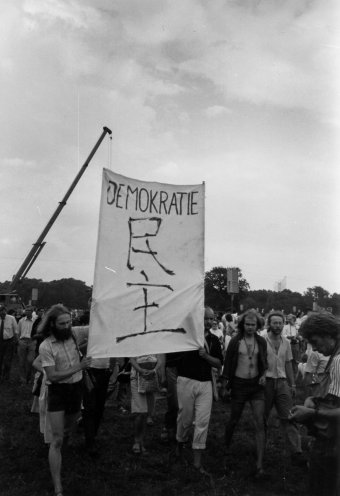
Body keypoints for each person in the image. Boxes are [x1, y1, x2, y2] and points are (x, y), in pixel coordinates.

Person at [38, 304, 91, 496]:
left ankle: (61, 449)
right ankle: (58, 486)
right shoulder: (45, 346)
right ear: (52, 324)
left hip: (76, 390)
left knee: (68, 429)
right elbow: (52, 376)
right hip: (58, 392)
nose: (67, 326)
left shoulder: (75, 333)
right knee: (57, 439)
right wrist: (80, 366)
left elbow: (97, 328)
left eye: (69, 322)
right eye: (62, 323)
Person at [289, 312, 340, 496]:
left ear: (328, 334)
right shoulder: (335, 356)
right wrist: (316, 399)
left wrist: (312, 414)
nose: (315, 349)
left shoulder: (338, 361)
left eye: (315, 341)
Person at [175, 307, 223, 474]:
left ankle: (197, 463)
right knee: (185, 419)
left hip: (205, 384)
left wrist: (206, 356)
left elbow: (218, 363)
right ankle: (179, 446)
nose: (209, 322)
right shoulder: (185, 337)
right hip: (186, 381)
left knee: (202, 422)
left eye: (211, 319)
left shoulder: (215, 340)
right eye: (205, 318)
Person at [221, 310, 267, 478]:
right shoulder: (235, 341)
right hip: (239, 385)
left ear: (257, 325)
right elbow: (228, 364)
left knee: (259, 423)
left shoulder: (261, 341)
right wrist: (225, 384)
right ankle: (226, 448)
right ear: (242, 324)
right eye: (247, 324)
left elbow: (264, 362)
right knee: (234, 419)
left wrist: (263, 375)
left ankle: (259, 464)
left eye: (253, 325)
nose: (249, 327)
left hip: (256, 386)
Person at [263, 311, 304, 464]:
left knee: (289, 416)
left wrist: (292, 384)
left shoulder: (286, 342)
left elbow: (288, 363)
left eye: (280, 323)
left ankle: (296, 452)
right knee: (262, 417)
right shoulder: (262, 340)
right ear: (269, 324)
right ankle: (261, 450)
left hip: (281, 382)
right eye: (275, 323)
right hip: (266, 382)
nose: (278, 326)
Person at [129, 354, 164, 453]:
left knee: (146, 413)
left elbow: (160, 358)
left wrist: (154, 370)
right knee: (141, 412)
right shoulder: (133, 339)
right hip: (136, 377)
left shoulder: (154, 339)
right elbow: (131, 359)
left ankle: (141, 441)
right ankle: (136, 441)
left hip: (152, 377)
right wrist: (140, 370)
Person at [17, 305, 36, 383]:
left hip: (32, 342)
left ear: (32, 311)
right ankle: (22, 378)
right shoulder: (21, 321)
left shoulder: (35, 320)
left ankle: (29, 377)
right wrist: (19, 341)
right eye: (26, 310)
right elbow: (18, 332)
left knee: (30, 361)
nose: (27, 311)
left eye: (29, 310)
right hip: (23, 341)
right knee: (22, 361)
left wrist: (35, 341)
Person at [0, 304, 18, 382]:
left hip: (9, 342)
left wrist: (15, 340)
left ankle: (6, 376)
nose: (2, 314)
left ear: (6, 312)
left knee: (7, 361)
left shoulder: (12, 318)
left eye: (4, 312)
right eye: (1, 313)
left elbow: (16, 330)